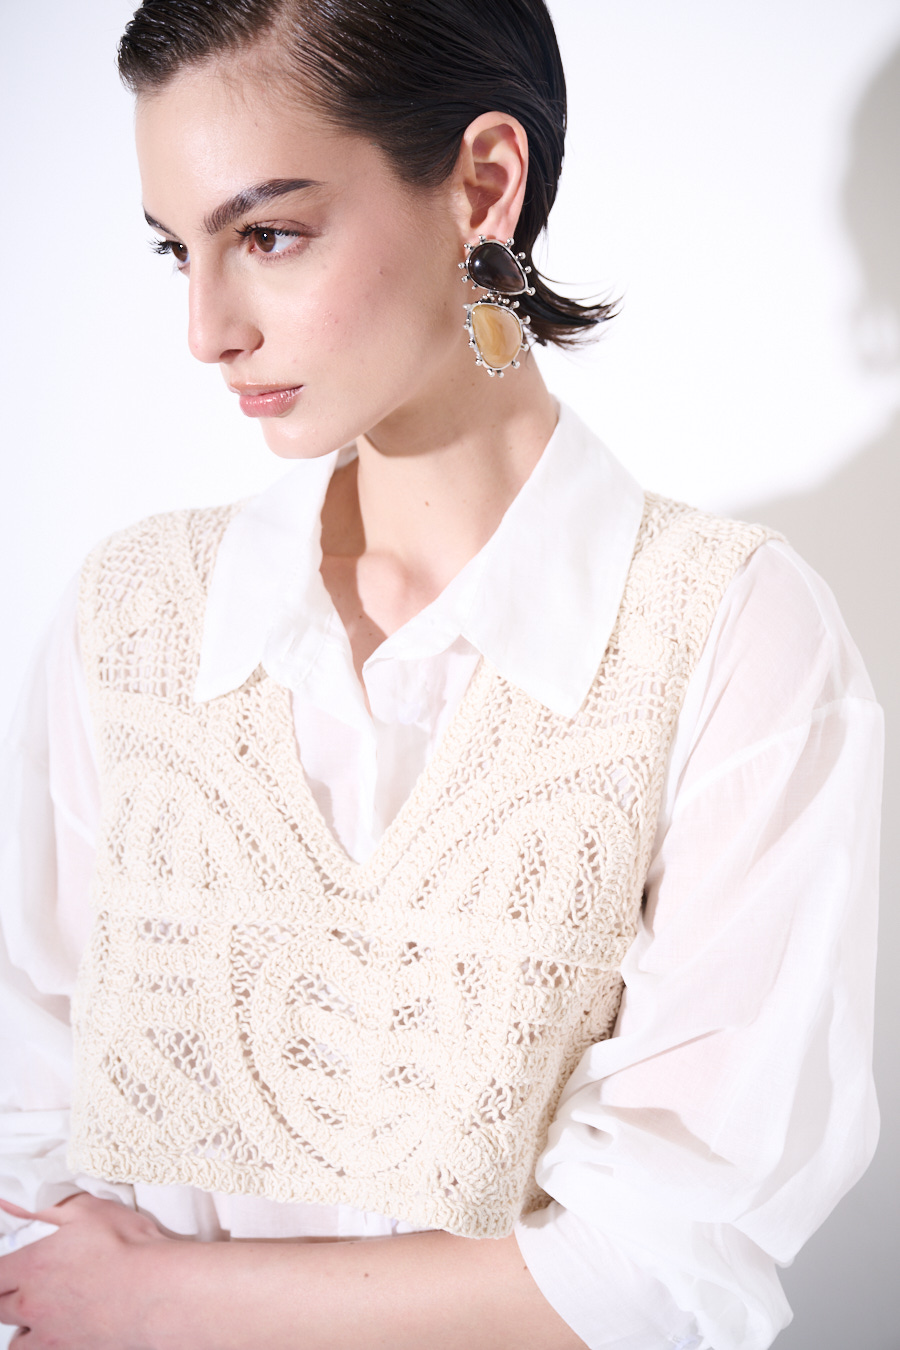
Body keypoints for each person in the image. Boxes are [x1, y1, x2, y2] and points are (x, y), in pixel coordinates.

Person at [0, 2, 883, 1347]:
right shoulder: (133, 620)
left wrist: (163, 1299)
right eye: (178, 249)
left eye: (267, 235)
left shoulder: (730, 634)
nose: (205, 328)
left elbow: (668, 1264)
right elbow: (27, 1144)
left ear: (483, 184)